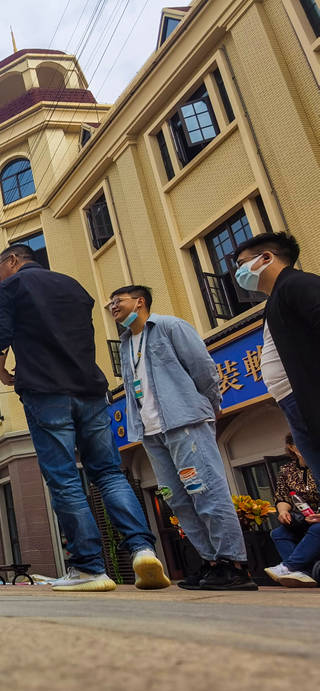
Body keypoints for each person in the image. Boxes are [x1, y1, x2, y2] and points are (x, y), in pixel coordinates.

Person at [0, 244, 168, 592]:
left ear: (12, 261)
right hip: (90, 389)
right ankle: (143, 550)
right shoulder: (74, 286)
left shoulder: (11, 287)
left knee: (65, 478)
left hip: (45, 391)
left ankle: (88, 568)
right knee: (109, 473)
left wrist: (2, 373)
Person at [110, 285, 254, 590]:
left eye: (118, 301)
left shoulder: (170, 326)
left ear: (140, 302)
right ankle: (210, 562)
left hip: (184, 421)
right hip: (151, 431)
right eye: (110, 303)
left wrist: (207, 405)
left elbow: (203, 369)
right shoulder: (125, 343)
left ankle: (234, 565)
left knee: (206, 491)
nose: (112, 306)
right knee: (178, 499)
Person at [233, 232, 320, 483]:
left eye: (241, 264)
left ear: (266, 258)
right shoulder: (276, 298)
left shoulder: (296, 284)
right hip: (296, 403)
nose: (238, 274)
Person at [266, 434, 320, 587]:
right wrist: (283, 512)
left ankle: (289, 567)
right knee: (278, 533)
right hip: (305, 517)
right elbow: (282, 497)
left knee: (318, 528)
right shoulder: (287, 470)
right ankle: (303, 574)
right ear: (292, 447)